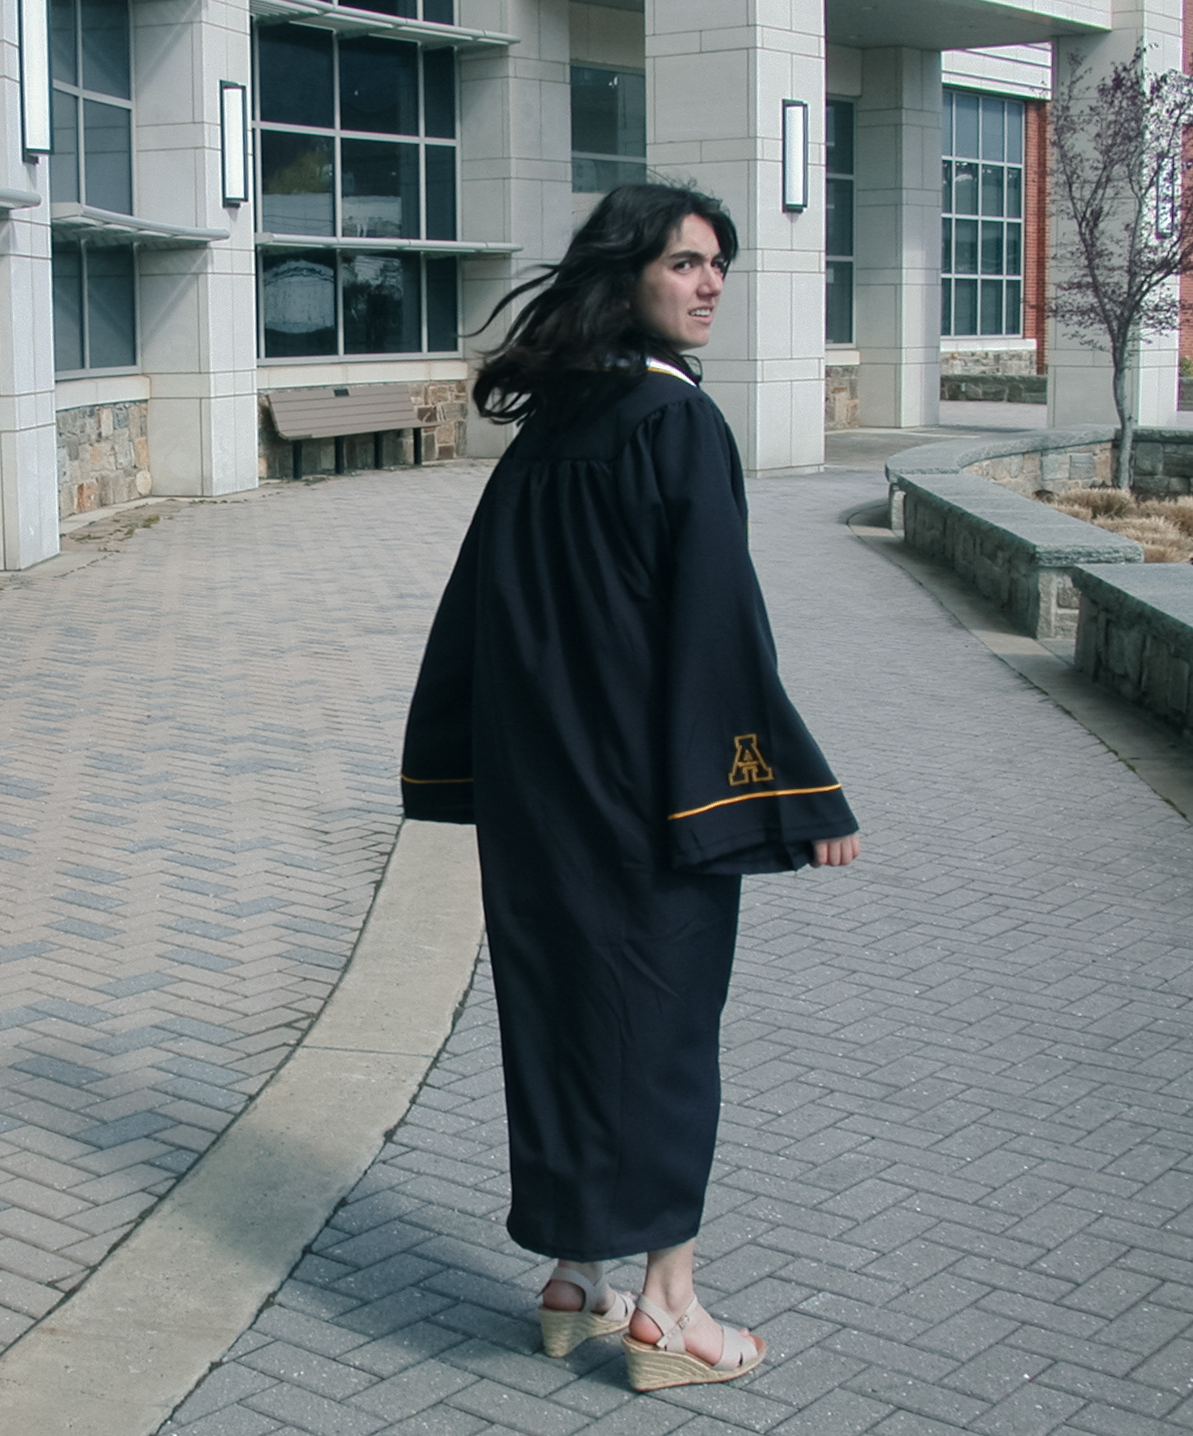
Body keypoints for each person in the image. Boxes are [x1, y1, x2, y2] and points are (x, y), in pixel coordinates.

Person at [400, 184, 861, 1393]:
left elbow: (481, 615)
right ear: (628, 275)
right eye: (686, 262)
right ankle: (670, 1308)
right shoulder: (674, 420)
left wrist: (469, 766)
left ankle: (573, 1276)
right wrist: (794, 791)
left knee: (563, 1024)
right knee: (660, 1036)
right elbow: (716, 630)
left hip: (541, 798)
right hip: (645, 799)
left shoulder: (559, 422)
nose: (710, 284)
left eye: (719, 265)